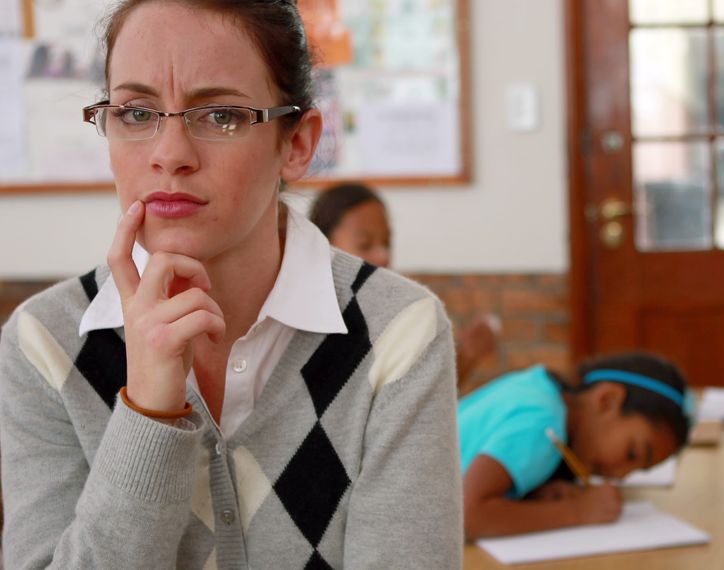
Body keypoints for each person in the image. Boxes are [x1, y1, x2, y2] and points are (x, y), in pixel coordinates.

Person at [0, 2, 461, 568]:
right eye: (137, 113)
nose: (170, 156)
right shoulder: (42, 344)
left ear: (296, 144)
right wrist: (147, 410)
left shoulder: (396, 334)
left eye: (220, 115)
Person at [458, 352, 690, 539]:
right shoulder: (543, 421)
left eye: (637, 471)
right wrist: (578, 511)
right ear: (607, 400)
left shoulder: (538, 385)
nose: (620, 476)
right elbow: (464, 517)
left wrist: (533, 495)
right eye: (632, 453)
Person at [311, 183, 499, 388]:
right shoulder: (312, 322)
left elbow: (413, 400)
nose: (383, 256)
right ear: (324, 246)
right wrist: (466, 358)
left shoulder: (389, 311)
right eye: (365, 244)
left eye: (387, 243)